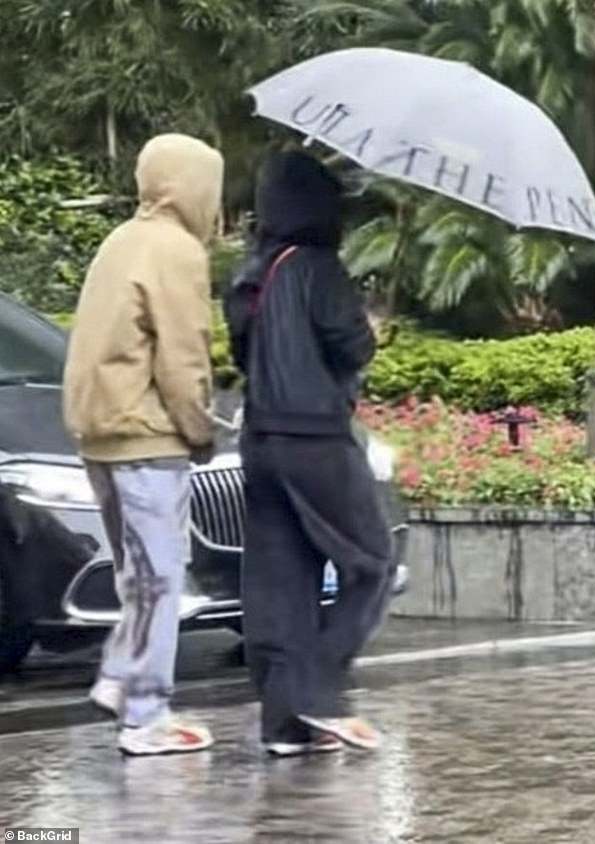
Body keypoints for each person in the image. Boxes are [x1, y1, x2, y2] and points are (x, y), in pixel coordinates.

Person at [225, 151, 394, 757]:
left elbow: (244, 351)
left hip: (261, 438)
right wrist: (369, 325)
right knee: (372, 563)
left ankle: (283, 724)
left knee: (281, 580)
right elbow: (350, 347)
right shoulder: (321, 267)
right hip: (315, 435)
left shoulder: (254, 270)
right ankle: (318, 693)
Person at [63, 133, 223, 756]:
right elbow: (183, 359)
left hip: (99, 432)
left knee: (135, 575)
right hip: (147, 436)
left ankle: (117, 679)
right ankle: (146, 715)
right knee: (161, 577)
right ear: (191, 186)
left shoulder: (120, 240)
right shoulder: (177, 251)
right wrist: (200, 431)